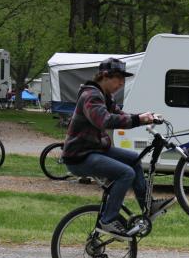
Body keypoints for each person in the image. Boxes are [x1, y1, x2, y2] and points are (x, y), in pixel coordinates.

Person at [62, 58, 175, 239]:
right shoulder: (90, 96)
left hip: (95, 149)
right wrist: (139, 119)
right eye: (118, 79)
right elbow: (105, 120)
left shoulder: (104, 97)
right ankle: (108, 220)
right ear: (105, 76)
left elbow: (120, 115)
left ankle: (148, 205)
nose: (121, 84)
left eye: (123, 80)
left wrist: (146, 117)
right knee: (126, 173)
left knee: (133, 159)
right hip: (79, 156)